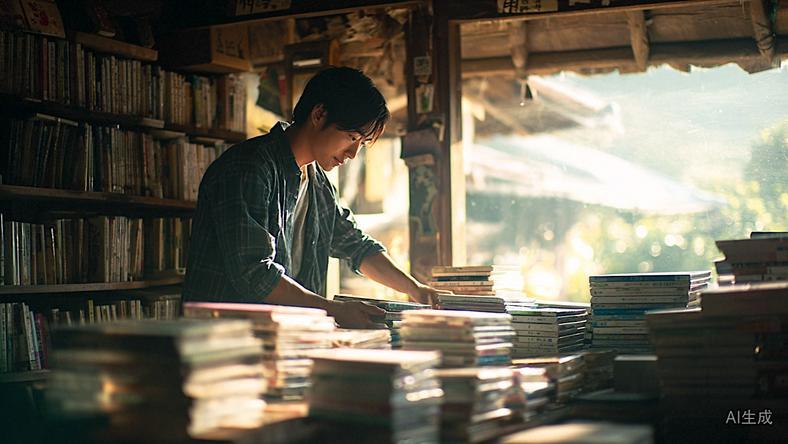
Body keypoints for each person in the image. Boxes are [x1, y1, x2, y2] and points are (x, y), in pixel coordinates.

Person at [183, 66, 449, 328]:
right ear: (319, 114)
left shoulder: (317, 181)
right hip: (223, 343)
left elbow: (355, 244)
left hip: (285, 340)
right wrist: (333, 310)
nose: (353, 154)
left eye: (361, 144)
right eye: (351, 137)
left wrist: (416, 290)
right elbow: (254, 274)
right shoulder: (249, 168)